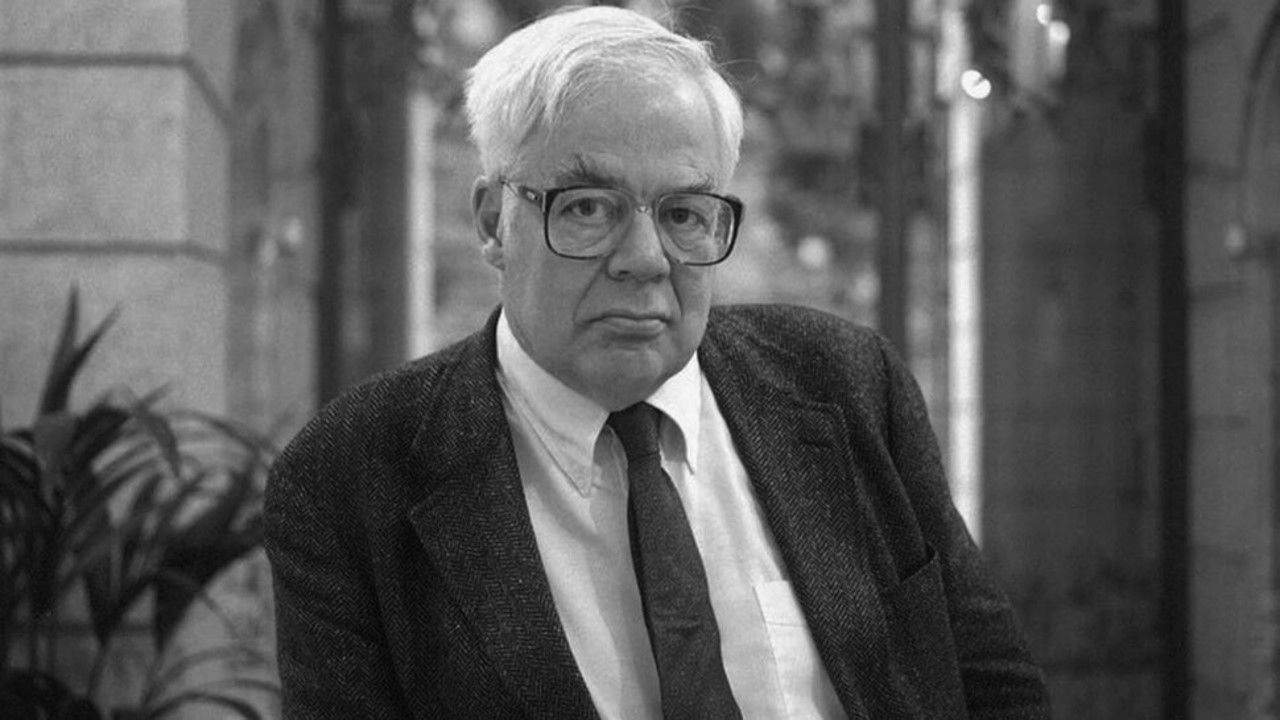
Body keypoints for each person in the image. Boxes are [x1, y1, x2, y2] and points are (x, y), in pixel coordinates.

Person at [264, 6, 1051, 719]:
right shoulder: (353, 476)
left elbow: (993, 689)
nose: (645, 259)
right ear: (493, 222)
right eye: (587, 207)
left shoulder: (846, 385)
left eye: (682, 213)